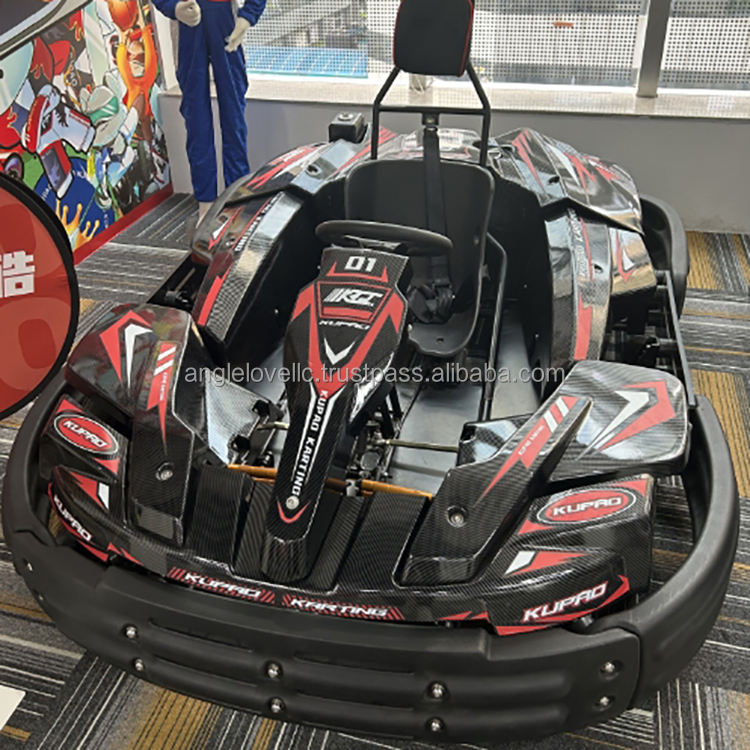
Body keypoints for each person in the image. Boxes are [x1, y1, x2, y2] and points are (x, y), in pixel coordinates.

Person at [152, 0, 266, 222]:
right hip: (188, 22)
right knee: (197, 121)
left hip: (225, 17)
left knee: (233, 118)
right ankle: (206, 201)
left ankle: (235, 197)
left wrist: (247, 16)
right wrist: (173, 7)